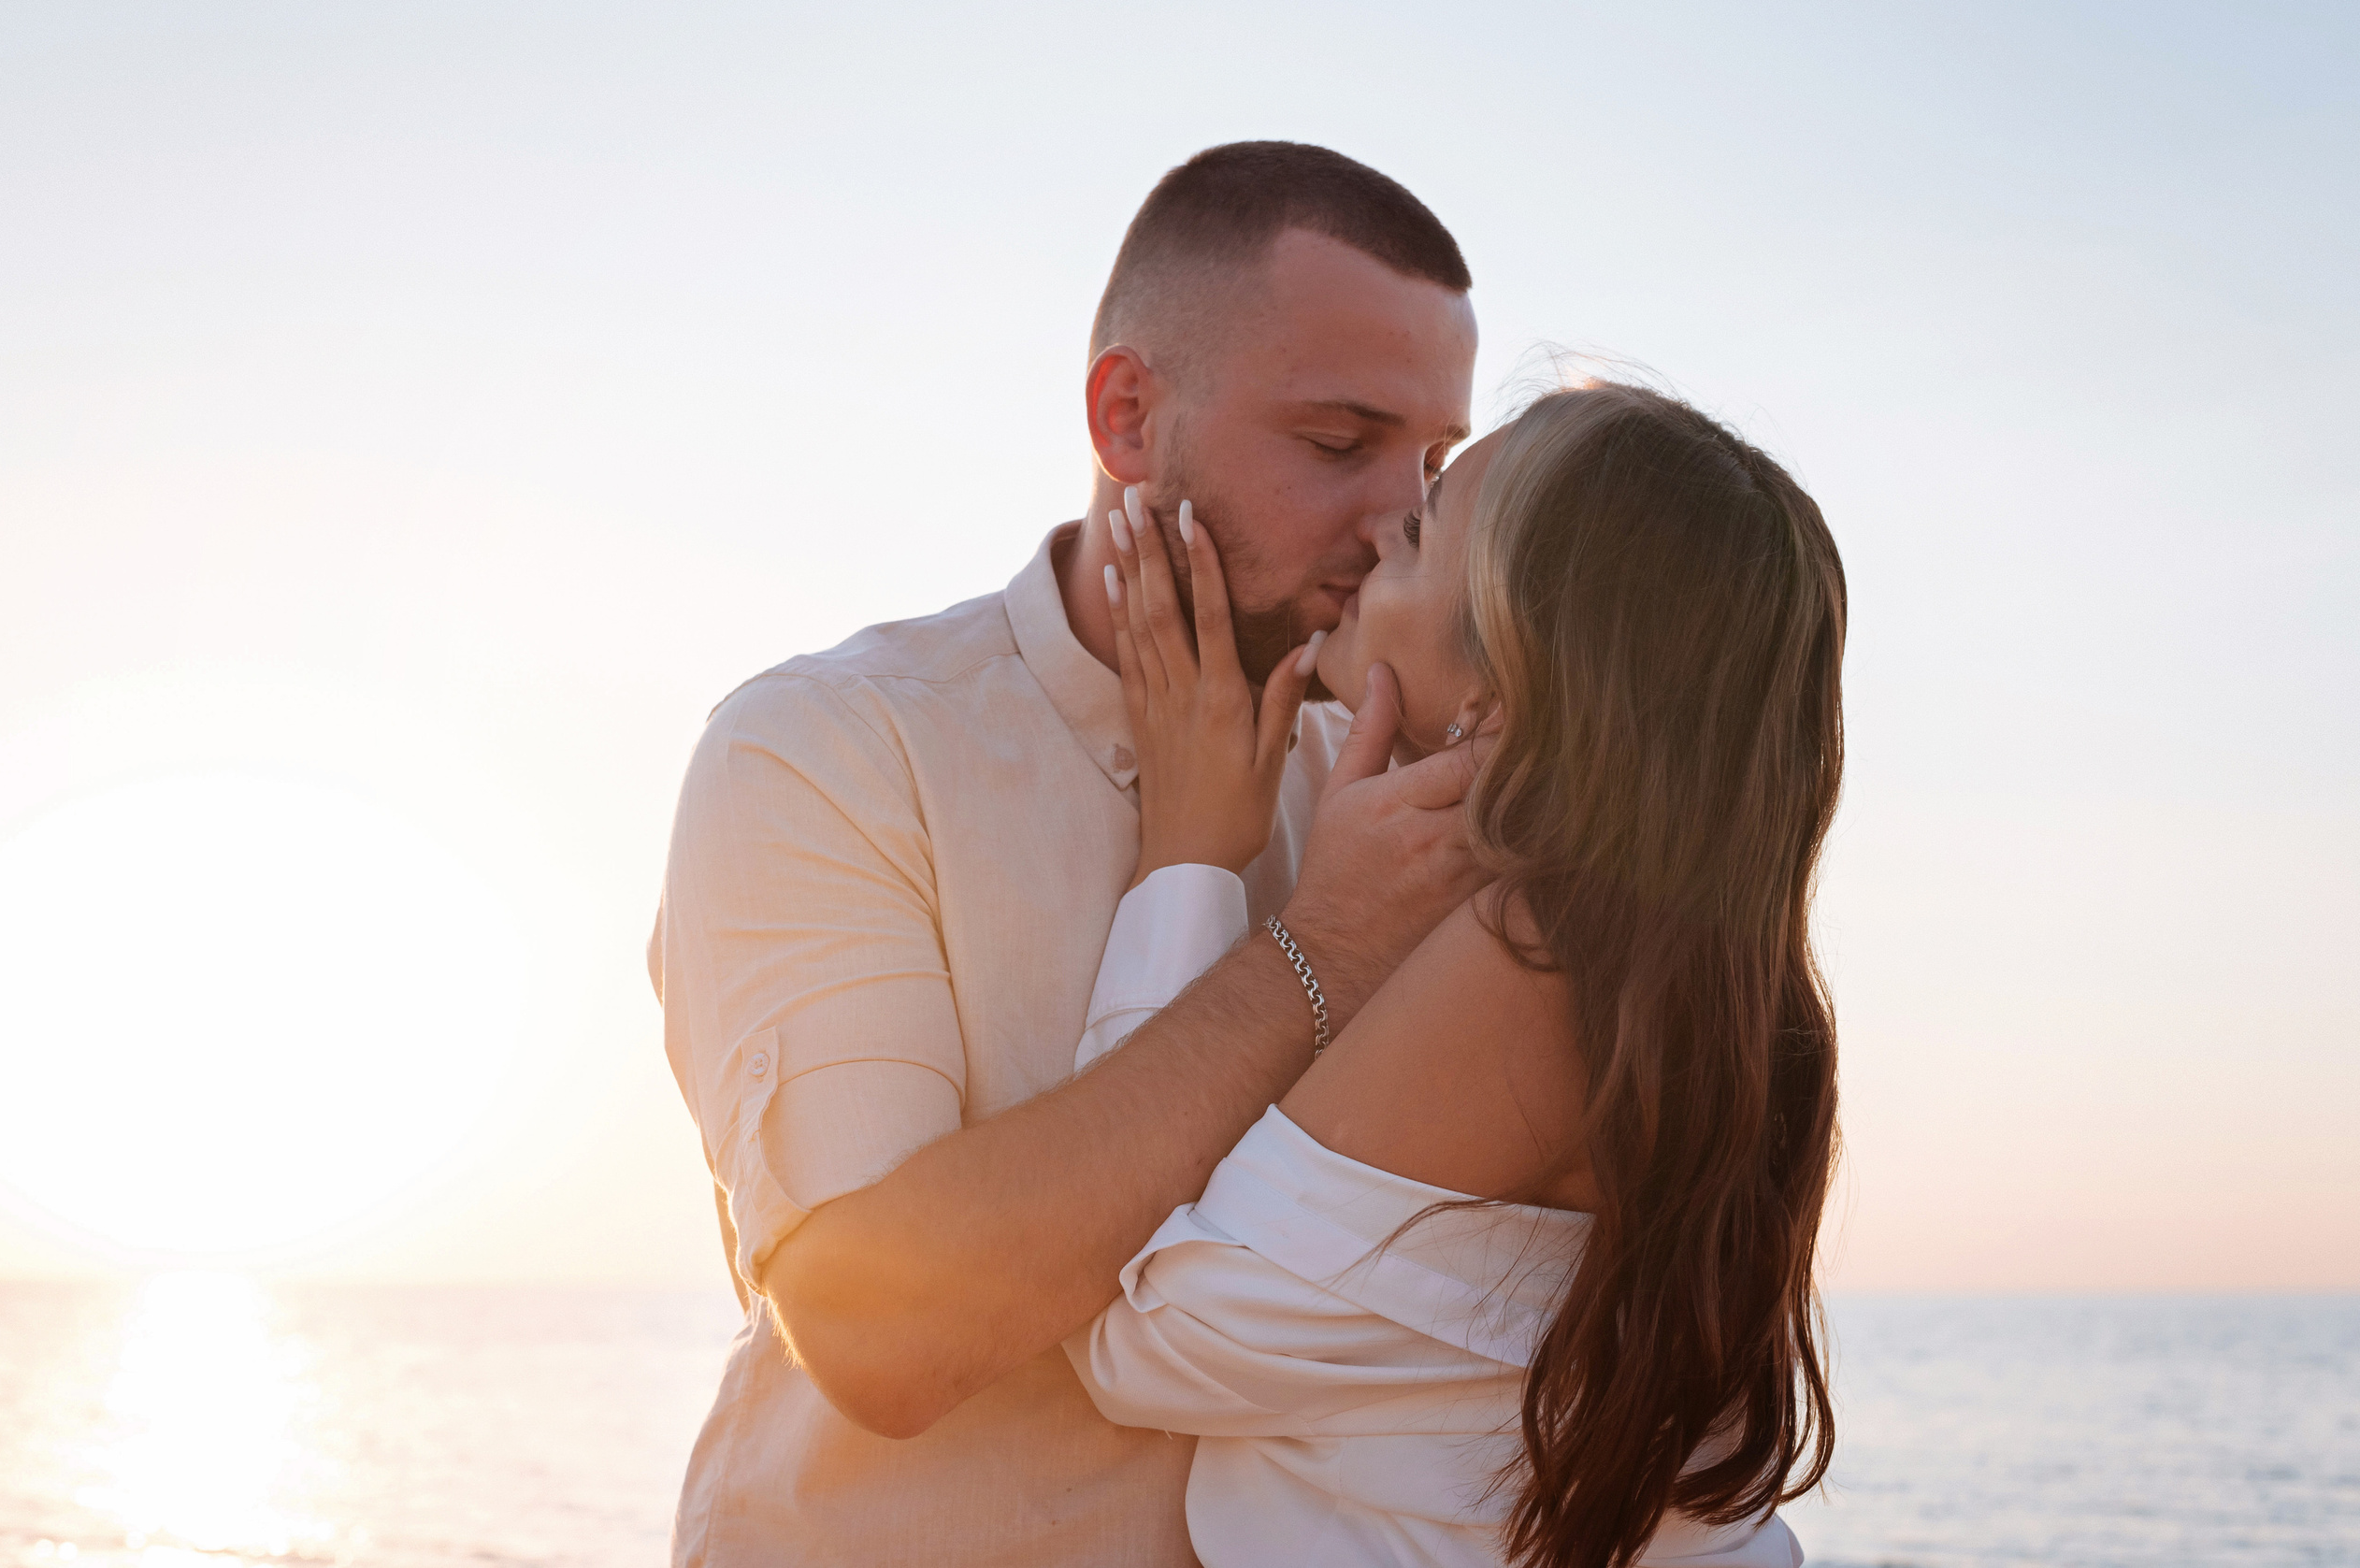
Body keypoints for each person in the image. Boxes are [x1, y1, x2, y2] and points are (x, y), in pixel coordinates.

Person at [651, 141, 1490, 1565]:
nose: (1398, 516)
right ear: (1126, 416)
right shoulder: (832, 751)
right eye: (1338, 445)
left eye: (1432, 465)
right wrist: (1319, 949)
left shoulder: (1393, 784)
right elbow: (879, 1330)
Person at [1066, 384, 1846, 1567]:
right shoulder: (1710, 973)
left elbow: (1144, 1343)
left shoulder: (1534, 954)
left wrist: (1184, 854)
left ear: (1502, 688)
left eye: (1424, 527)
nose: (1381, 526)